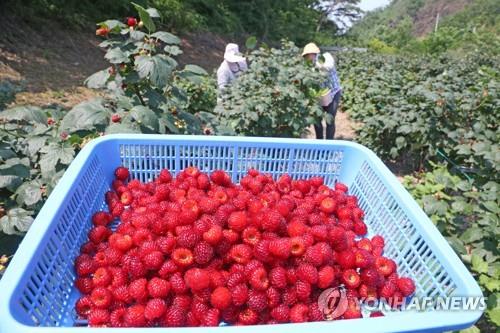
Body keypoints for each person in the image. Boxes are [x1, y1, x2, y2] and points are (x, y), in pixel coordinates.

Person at [302, 42, 342, 140]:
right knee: (317, 119)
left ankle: (329, 145)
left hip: (333, 92)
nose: (307, 57)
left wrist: (315, 65)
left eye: (308, 55)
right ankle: (319, 142)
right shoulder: (308, 66)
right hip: (319, 95)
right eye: (305, 56)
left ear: (313, 53)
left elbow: (328, 67)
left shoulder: (326, 57)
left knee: (330, 120)